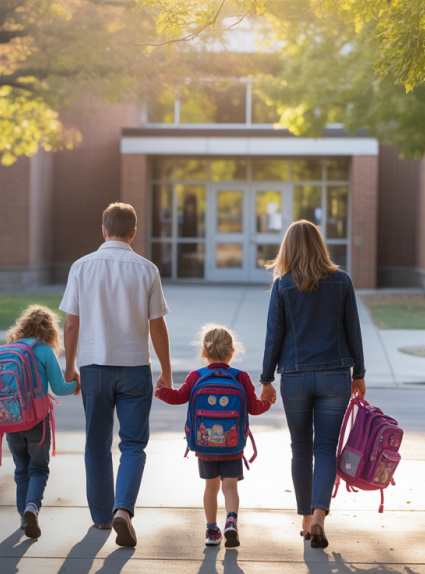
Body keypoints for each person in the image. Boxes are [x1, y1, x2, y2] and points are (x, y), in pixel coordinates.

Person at [59, 202, 173, 548]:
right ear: (133, 233)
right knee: (133, 445)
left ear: (103, 229)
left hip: (93, 367)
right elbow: (157, 325)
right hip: (135, 368)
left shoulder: (81, 267)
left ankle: (101, 517)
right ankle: (124, 508)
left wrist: (69, 366)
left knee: (96, 444)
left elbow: (71, 322)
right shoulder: (147, 269)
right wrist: (167, 373)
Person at [259, 219, 367, 550]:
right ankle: (320, 514)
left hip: (294, 377)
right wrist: (359, 374)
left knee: (301, 448)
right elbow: (353, 330)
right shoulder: (343, 281)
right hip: (335, 375)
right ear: (321, 245)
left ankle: (305, 520)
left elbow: (273, 336)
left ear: (287, 249)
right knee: (325, 448)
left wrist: (266, 379)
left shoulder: (282, 286)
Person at [154, 324, 272, 548]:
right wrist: (269, 401)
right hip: (232, 445)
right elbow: (255, 408)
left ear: (204, 352)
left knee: (210, 487)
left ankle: (211, 531)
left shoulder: (196, 376)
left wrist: (161, 391)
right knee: (230, 487)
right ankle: (231, 521)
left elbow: (179, 397)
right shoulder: (241, 377)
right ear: (232, 352)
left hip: (205, 445)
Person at [2, 304, 80, 540]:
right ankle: (32, 508)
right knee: (38, 469)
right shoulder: (45, 351)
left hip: (11, 419)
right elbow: (58, 388)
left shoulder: (10, 349)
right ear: (49, 331)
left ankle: (23, 520)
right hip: (36, 420)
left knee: (21, 470)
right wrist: (77, 384)